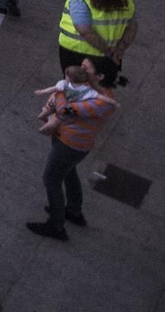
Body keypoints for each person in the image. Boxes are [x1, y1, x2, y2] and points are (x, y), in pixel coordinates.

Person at [25, 57, 119, 242]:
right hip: (74, 142)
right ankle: (74, 211)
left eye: (86, 68)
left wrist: (61, 91)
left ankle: (56, 225)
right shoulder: (91, 90)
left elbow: (64, 111)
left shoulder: (100, 102)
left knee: (51, 179)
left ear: (100, 76)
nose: (81, 69)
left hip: (70, 144)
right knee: (68, 173)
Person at [55, 0, 136, 80]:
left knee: (74, 89)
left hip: (75, 53)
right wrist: (119, 50)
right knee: (101, 90)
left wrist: (107, 51)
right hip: (107, 59)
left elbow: (85, 31)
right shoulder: (126, 1)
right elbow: (132, 28)